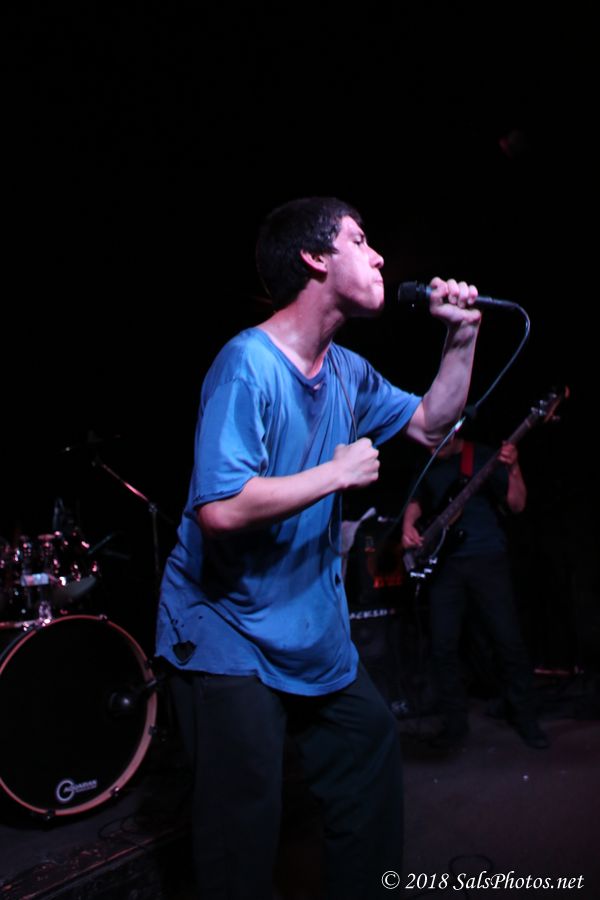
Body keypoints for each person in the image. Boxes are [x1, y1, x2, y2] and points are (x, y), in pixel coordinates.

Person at [156, 197, 481, 899]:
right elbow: (219, 508)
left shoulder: (346, 370)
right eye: (359, 240)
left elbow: (431, 425)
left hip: (305, 626)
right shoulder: (247, 364)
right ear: (314, 257)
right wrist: (335, 474)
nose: (379, 256)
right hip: (227, 629)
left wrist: (461, 339)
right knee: (242, 832)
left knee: (366, 745)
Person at [401, 435, 549, 750]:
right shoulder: (427, 463)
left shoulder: (483, 456)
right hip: (444, 565)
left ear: (454, 429)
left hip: (486, 557)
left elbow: (517, 505)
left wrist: (514, 468)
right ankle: (455, 725)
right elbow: (416, 499)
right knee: (443, 646)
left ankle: (525, 718)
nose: (430, 446)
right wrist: (408, 526)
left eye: (436, 439)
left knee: (507, 640)